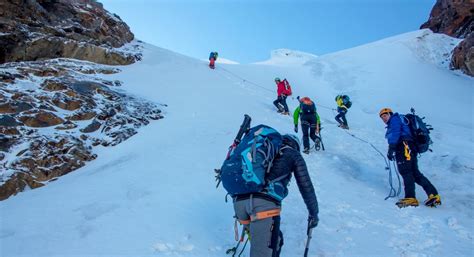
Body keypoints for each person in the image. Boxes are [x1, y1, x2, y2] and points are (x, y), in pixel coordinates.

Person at [233, 134, 319, 257]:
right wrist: (314, 213)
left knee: (276, 240)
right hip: (263, 206)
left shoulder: (264, 149)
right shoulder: (292, 154)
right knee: (265, 251)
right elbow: (306, 187)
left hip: (239, 202)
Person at [379, 108, 441, 208]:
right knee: (415, 173)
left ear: (390, 114)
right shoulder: (398, 119)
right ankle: (433, 195)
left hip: (404, 147)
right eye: (382, 118)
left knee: (406, 171)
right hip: (409, 147)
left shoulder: (394, 119)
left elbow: (396, 132)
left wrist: (391, 148)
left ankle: (410, 197)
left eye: (385, 116)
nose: (384, 119)